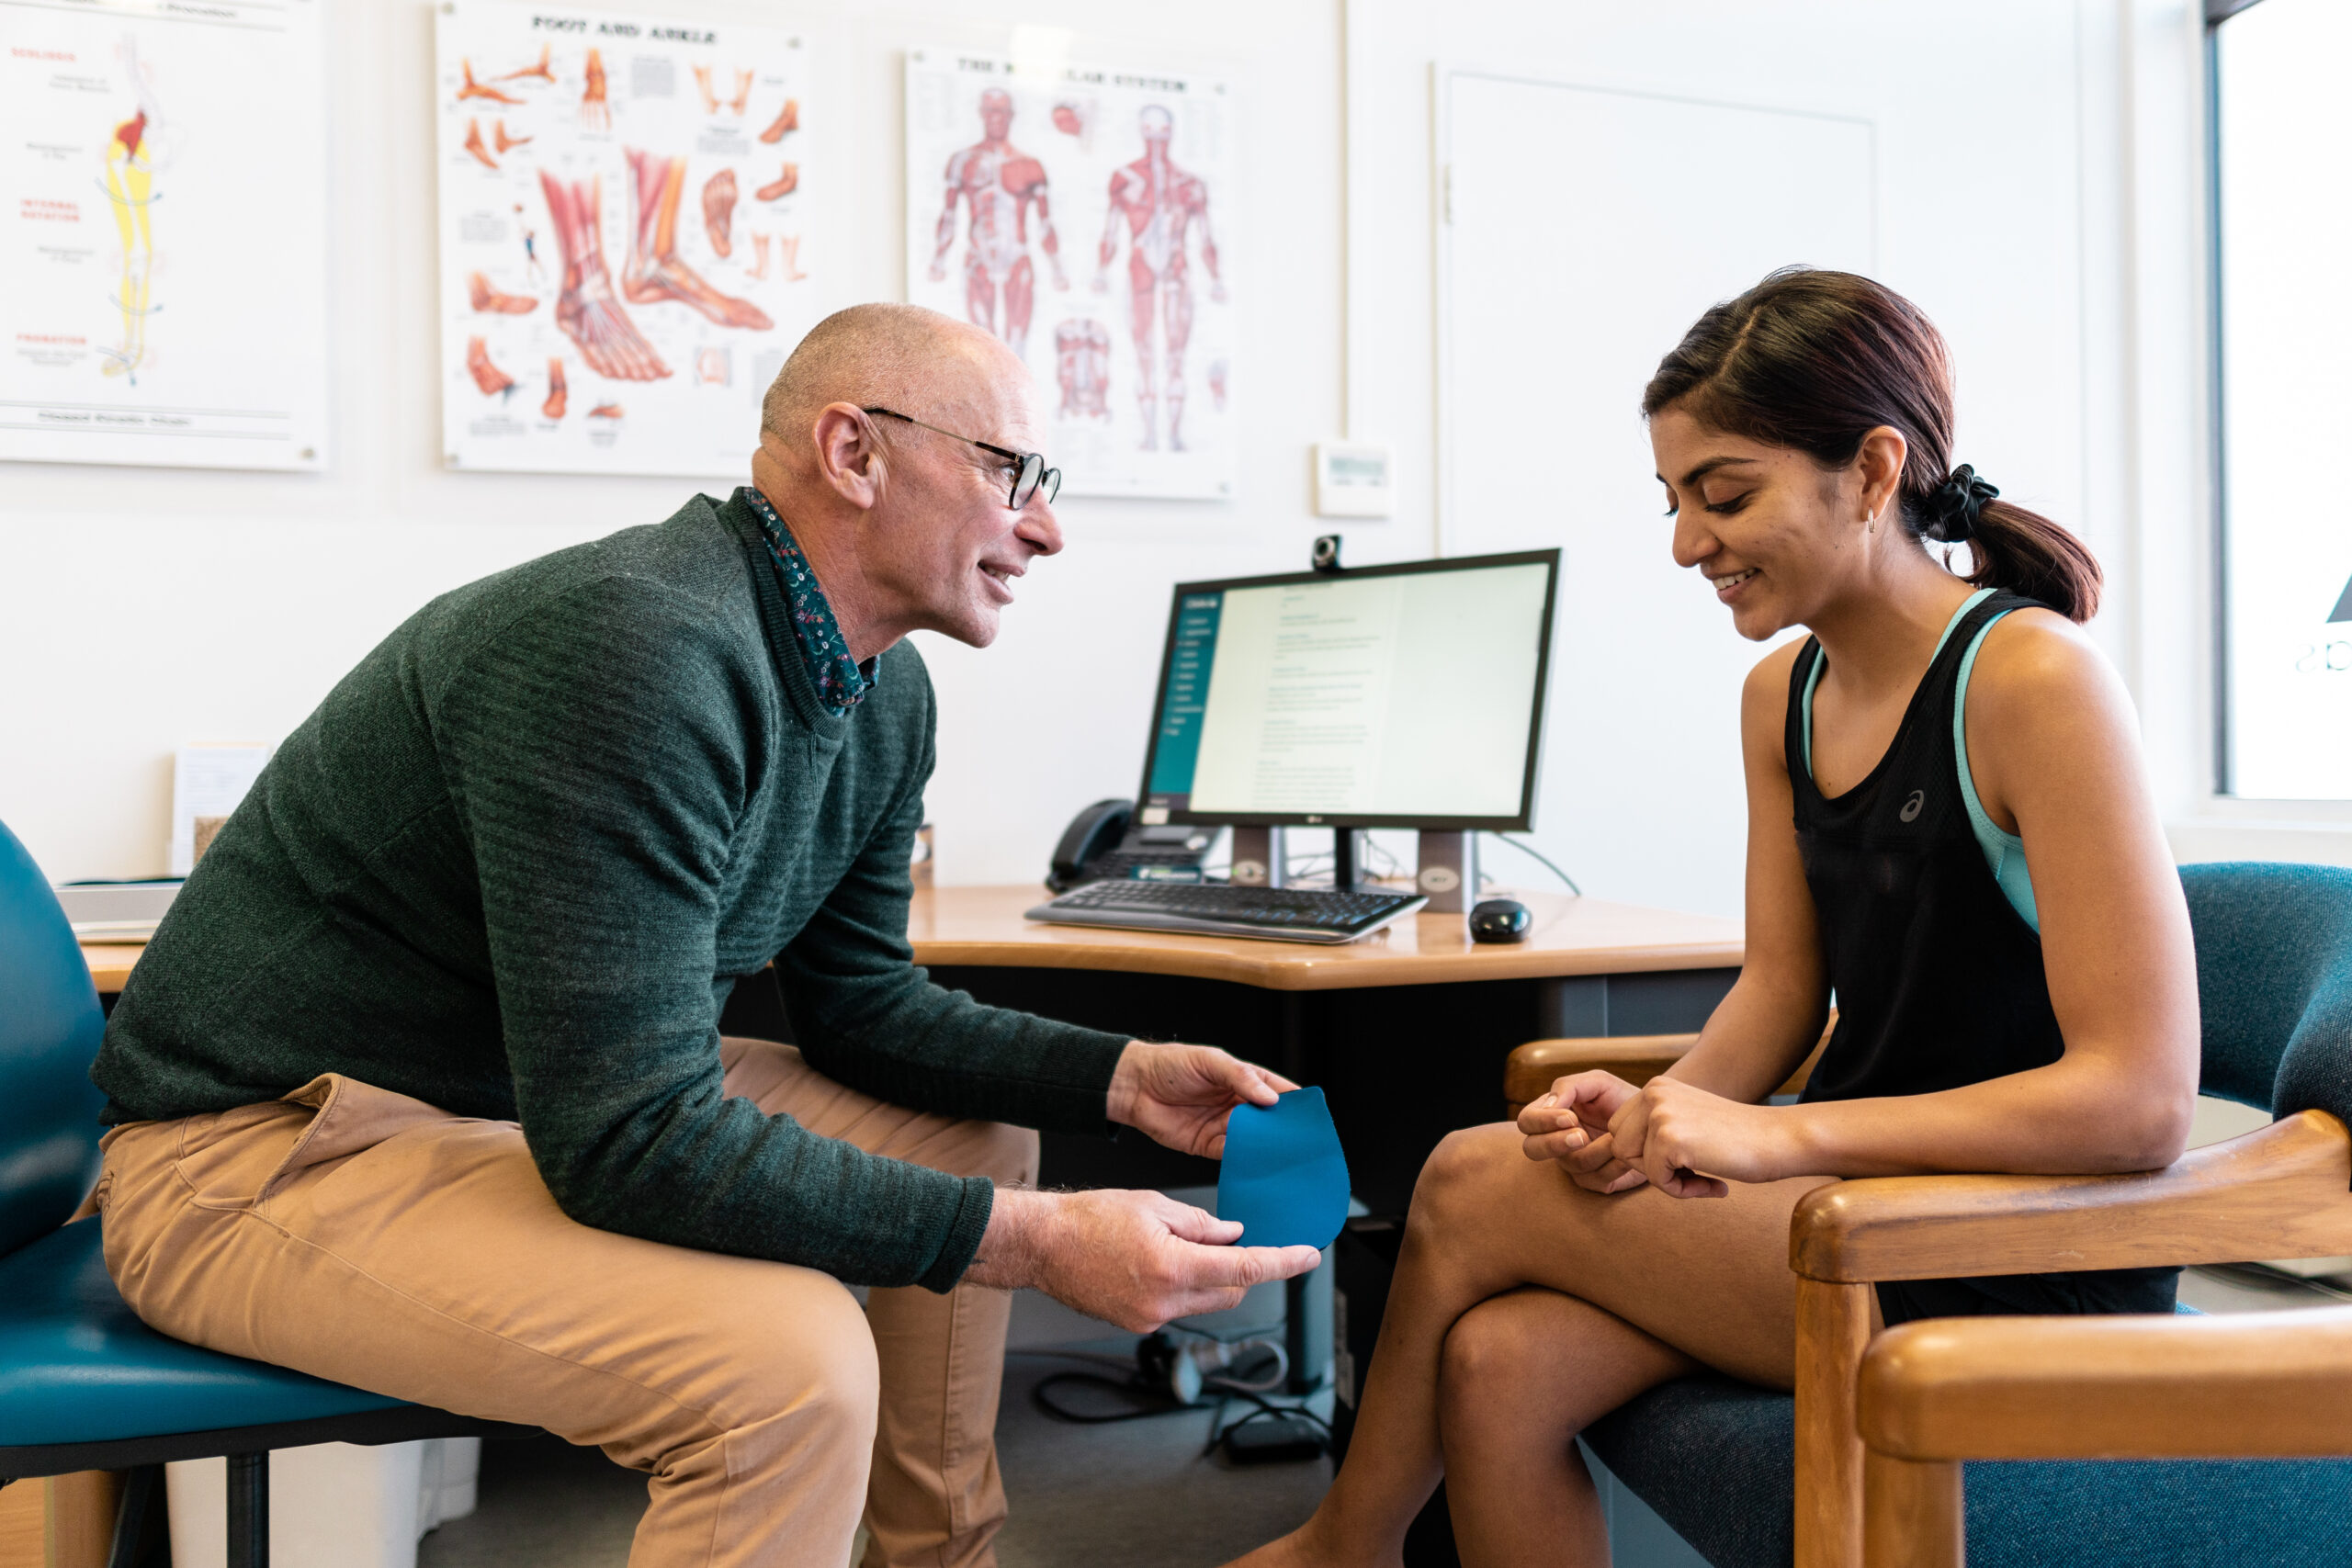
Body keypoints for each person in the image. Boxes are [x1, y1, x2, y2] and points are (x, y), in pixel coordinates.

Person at [88, 302, 1323, 1568]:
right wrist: (1043, 1245)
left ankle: (941, 1557)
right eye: (1012, 474)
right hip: (262, 1149)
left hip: (520, 1091)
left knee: (971, 1132)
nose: (1047, 528)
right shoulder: (633, 646)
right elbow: (629, 1137)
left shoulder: (883, 693)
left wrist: (1120, 1080)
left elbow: (862, 1009)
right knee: (789, 1369)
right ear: (855, 454)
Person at [1229, 267, 2200, 1568]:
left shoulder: (2034, 680)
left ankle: (1342, 1548)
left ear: (1871, 468)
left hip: (2028, 1247)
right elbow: (1780, 997)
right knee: (1499, 1362)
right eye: (1675, 499)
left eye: (1725, 493)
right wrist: (1652, 1121)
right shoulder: (1781, 697)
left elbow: (2138, 1105)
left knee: (1467, 1179)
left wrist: (1763, 1141)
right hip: (1866, 1204)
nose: (1688, 541)